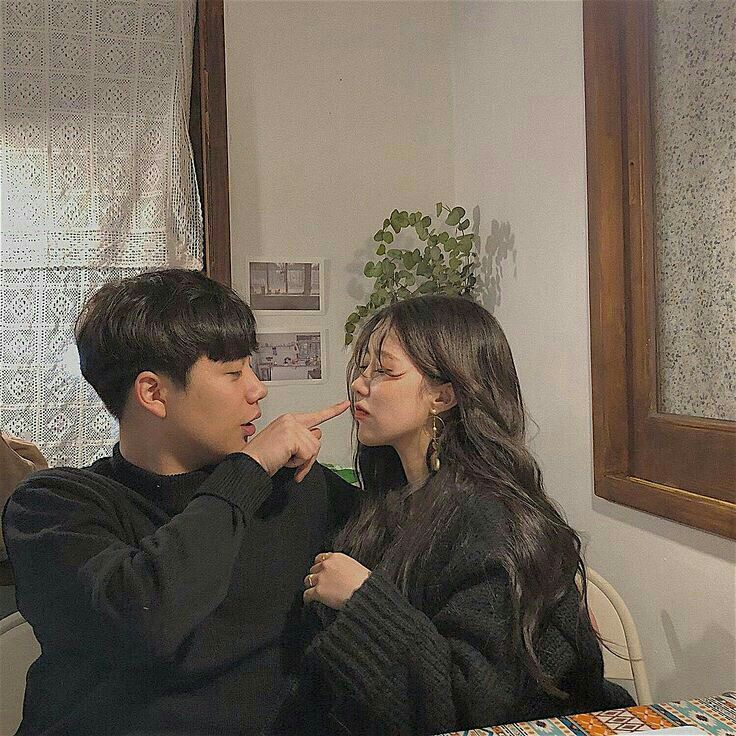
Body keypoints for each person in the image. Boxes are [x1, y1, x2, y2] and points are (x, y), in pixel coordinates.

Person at [1, 269, 355, 736]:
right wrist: (249, 469)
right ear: (153, 393)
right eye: (233, 373)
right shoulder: (51, 507)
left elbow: (416, 544)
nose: (258, 389)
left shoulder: (295, 491)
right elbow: (146, 619)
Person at [288, 295, 634, 736]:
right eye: (362, 367)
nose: (359, 383)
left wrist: (362, 599)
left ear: (443, 395)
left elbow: (473, 707)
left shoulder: (493, 522)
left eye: (384, 370)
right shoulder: (395, 499)